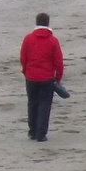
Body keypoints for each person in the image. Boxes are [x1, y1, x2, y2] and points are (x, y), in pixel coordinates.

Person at [20, 12, 63, 142]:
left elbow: (23, 58)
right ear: (48, 23)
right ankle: (41, 134)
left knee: (32, 103)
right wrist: (58, 77)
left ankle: (32, 132)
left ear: (36, 23)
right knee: (44, 105)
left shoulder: (28, 39)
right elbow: (58, 62)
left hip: (31, 77)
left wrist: (25, 71)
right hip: (47, 78)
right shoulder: (52, 41)